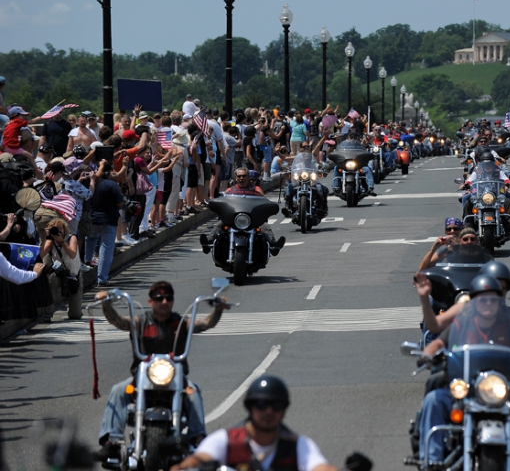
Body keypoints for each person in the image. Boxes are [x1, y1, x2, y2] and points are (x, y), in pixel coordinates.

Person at [418, 275, 510, 470]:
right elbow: (438, 341)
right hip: (466, 389)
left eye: (493, 299)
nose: (487, 303)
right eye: (482, 299)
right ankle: (431, 460)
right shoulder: (462, 322)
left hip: (504, 389)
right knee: (434, 399)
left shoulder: (509, 321)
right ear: (474, 302)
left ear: (499, 301)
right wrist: (427, 354)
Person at [96, 281, 231, 460]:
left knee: (193, 391)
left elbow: (206, 323)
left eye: (168, 298)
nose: (164, 302)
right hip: (142, 378)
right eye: (159, 298)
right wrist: (106, 303)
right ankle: (111, 442)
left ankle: (198, 438)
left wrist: (218, 309)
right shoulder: (140, 322)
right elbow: (119, 322)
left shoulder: (181, 323)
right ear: (150, 302)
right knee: (119, 390)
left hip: (176, 378)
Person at [170, 375, 337, 471]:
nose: (269, 412)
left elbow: (320, 467)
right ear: (250, 407)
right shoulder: (226, 441)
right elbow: (197, 459)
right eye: (262, 405)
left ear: (284, 410)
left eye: (276, 406)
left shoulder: (297, 446)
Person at [199, 169, 285, 255]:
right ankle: (208, 243)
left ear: (248, 178)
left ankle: (273, 246)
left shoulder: (256, 189)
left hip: (251, 219)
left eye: (244, 176)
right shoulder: (229, 190)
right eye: (239, 176)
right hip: (234, 219)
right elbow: (223, 202)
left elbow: (265, 201)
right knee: (220, 223)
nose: (241, 178)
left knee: (265, 226)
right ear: (236, 178)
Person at [84, 160, 124, 287]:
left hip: (93, 219)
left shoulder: (91, 183)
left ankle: (87, 261)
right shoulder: (112, 185)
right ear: (107, 173)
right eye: (112, 171)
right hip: (109, 221)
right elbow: (120, 203)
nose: (115, 173)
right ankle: (102, 279)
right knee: (106, 249)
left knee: (90, 239)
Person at [330, 131, 376, 195]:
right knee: (336, 168)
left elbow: (365, 152)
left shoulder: (360, 145)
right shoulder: (344, 145)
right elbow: (339, 152)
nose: (352, 139)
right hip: (345, 165)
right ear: (348, 137)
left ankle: (370, 188)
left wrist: (366, 152)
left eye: (354, 137)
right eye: (351, 137)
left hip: (358, 166)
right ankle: (336, 187)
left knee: (367, 169)